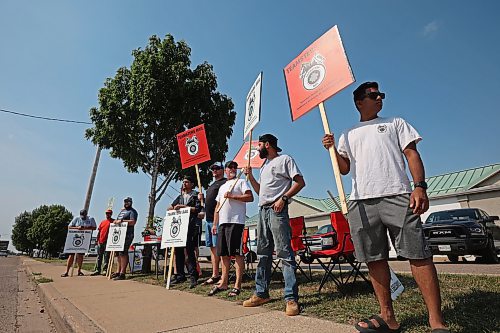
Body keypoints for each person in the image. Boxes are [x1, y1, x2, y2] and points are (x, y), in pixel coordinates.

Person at [322, 81, 449, 333]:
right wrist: (333, 149)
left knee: (418, 255)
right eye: (373, 95)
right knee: (374, 258)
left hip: (398, 195)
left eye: (381, 95)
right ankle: (388, 318)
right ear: (359, 102)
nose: (380, 98)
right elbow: (345, 169)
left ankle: (436, 321)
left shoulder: (395, 123)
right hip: (361, 201)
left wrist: (420, 186)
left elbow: (411, 154)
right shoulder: (348, 133)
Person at [242, 134, 305, 316]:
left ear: (267, 145)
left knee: (284, 253)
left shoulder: (285, 160)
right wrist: (250, 176)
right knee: (263, 254)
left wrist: (284, 198)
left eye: (260, 144)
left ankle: (291, 298)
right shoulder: (263, 166)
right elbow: (260, 191)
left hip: (277, 211)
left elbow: (300, 182)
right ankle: (261, 293)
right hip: (262, 211)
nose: (258, 148)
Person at [207, 161, 253, 297]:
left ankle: (237, 285)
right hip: (223, 223)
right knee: (223, 254)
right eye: (230, 167)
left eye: (234, 167)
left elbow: (250, 197)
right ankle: (224, 282)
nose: (232, 169)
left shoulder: (241, 182)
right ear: (225, 170)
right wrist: (215, 224)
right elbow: (218, 206)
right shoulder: (222, 187)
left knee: (237, 253)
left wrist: (232, 196)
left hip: (236, 222)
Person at [168, 175, 202, 288]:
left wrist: (183, 207)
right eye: (183, 182)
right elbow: (170, 207)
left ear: (192, 184)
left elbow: (197, 209)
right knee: (178, 252)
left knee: (189, 251)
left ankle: (193, 275)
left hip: (191, 226)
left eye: (187, 182)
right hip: (180, 227)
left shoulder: (196, 195)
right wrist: (174, 208)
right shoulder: (180, 196)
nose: (184, 184)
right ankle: (180, 275)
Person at [199, 162, 226, 285]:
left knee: (219, 248)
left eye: (217, 168)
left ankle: (223, 276)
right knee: (212, 247)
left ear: (223, 170)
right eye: (213, 169)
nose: (214, 170)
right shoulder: (212, 185)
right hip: (208, 220)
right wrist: (202, 200)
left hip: (218, 220)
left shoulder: (224, 183)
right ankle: (215, 274)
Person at [61, 209, 97, 277]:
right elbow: (69, 226)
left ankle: (79, 270)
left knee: (80, 255)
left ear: (86, 214)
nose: (82, 217)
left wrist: (85, 227)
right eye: (81, 216)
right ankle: (67, 271)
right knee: (71, 255)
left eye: (84, 215)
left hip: (84, 240)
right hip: (74, 239)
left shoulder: (91, 219)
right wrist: (77, 227)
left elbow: (94, 227)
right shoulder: (76, 218)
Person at [111, 197, 138, 281]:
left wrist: (122, 221)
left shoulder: (132, 212)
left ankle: (123, 273)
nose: (126, 203)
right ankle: (118, 271)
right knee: (118, 253)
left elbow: (133, 222)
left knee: (123, 252)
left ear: (131, 203)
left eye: (128, 202)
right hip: (119, 234)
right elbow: (118, 220)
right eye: (125, 202)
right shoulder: (122, 211)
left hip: (128, 234)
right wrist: (116, 221)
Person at [91, 209, 113, 276]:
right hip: (100, 241)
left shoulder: (113, 221)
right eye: (106, 213)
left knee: (106, 257)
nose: (107, 215)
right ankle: (97, 270)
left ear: (111, 214)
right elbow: (99, 231)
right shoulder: (103, 222)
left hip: (108, 242)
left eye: (109, 213)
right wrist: (97, 240)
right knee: (99, 256)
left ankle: (105, 270)